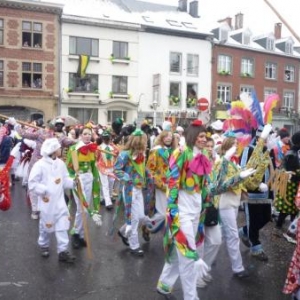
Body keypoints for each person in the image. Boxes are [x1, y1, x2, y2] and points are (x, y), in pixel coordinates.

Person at [156, 120, 255, 299]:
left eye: (205, 136)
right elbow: (172, 185)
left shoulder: (202, 157)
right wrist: (172, 214)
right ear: (193, 136)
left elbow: (212, 189)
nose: (204, 139)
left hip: (196, 213)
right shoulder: (180, 154)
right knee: (187, 258)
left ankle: (164, 284)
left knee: (177, 251)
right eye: (201, 136)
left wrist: (238, 177)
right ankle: (191, 297)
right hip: (181, 213)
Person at [28, 138, 76, 263]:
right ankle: (44, 245)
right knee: (45, 226)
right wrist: (45, 190)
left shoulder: (60, 163)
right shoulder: (40, 165)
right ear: (54, 150)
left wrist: (74, 182)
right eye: (59, 148)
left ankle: (62, 251)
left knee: (62, 225)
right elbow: (32, 183)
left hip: (60, 202)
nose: (61, 149)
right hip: (46, 202)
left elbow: (65, 180)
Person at [114, 128, 152, 256]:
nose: (146, 145)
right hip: (129, 189)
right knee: (135, 219)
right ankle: (134, 245)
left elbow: (142, 169)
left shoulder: (142, 154)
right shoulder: (125, 155)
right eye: (144, 142)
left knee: (141, 216)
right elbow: (117, 170)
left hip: (139, 189)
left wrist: (148, 175)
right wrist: (127, 178)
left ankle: (123, 231)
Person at [239, 124, 273, 261]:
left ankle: (244, 232)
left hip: (266, 192)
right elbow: (243, 169)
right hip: (252, 192)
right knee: (253, 220)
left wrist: (269, 187)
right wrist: (258, 184)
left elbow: (272, 169)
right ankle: (256, 247)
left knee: (265, 217)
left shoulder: (268, 151)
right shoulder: (248, 149)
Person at [66, 126, 100, 249]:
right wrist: (73, 179)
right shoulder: (73, 149)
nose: (87, 136)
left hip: (89, 178)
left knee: (84, 208)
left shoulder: (92, 148)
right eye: (85, 134)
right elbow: (68, 167)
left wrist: (96, 179)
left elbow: (93, 165)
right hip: (78, 179)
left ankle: (79, 234)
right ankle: (75, 234)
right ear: (80, 136)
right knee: (82, 208)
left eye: (89, 134)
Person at [145, 129, 177, 237]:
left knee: (171, 212)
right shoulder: (156, 151)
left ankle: (167, 236)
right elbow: (149, 169)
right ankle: (147, 226)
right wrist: (158, 183)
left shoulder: (174, 151)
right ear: (162, 137)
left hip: (172, 185)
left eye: (171, 136)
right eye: (166, 136)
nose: (169, 138)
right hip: (161, 186)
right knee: (164, 213)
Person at [96, 130, 119, 210]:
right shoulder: (99, 148)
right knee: (105, 184)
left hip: (111, 168)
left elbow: (117, 152)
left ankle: (105, 197)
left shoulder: (112, 147)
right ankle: (108, 203)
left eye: (108, 138)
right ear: (102, 139)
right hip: (102, 168)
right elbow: (97, 158)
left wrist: (112, 144)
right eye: (105, 138)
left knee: (111, 183)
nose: (107, 140)